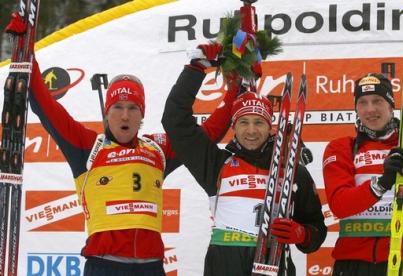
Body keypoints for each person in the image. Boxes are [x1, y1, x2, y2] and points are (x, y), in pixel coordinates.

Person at [5, 13, 235, 275]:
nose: (125, 115)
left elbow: (206, 135)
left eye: (133, 108)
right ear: (106, 113)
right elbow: (45, 106)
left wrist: (236, 88)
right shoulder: (87, 146)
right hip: (104, 266)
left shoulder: (156, 150)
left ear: (142, 115)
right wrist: (24, 51)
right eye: (117, 107)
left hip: (151, 268)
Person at [162, 44, 327, 276]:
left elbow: (316, 230)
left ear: (269, 127)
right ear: (234, 126)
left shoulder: (292, 171)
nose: (251, 130)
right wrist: (195, 69)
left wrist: (302, 234)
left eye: (259, 122)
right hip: (224, 264)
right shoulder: (216, 164)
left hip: (274, 262)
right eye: (243, 122)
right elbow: (175, 122)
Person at [322, 73, 403, 276]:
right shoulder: (341, 148)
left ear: (391, 105)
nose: (370, 109)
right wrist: (381, 183)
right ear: (356, 108)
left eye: (378, 101)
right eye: (362, 102)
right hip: (352, 264)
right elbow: (340, 205)